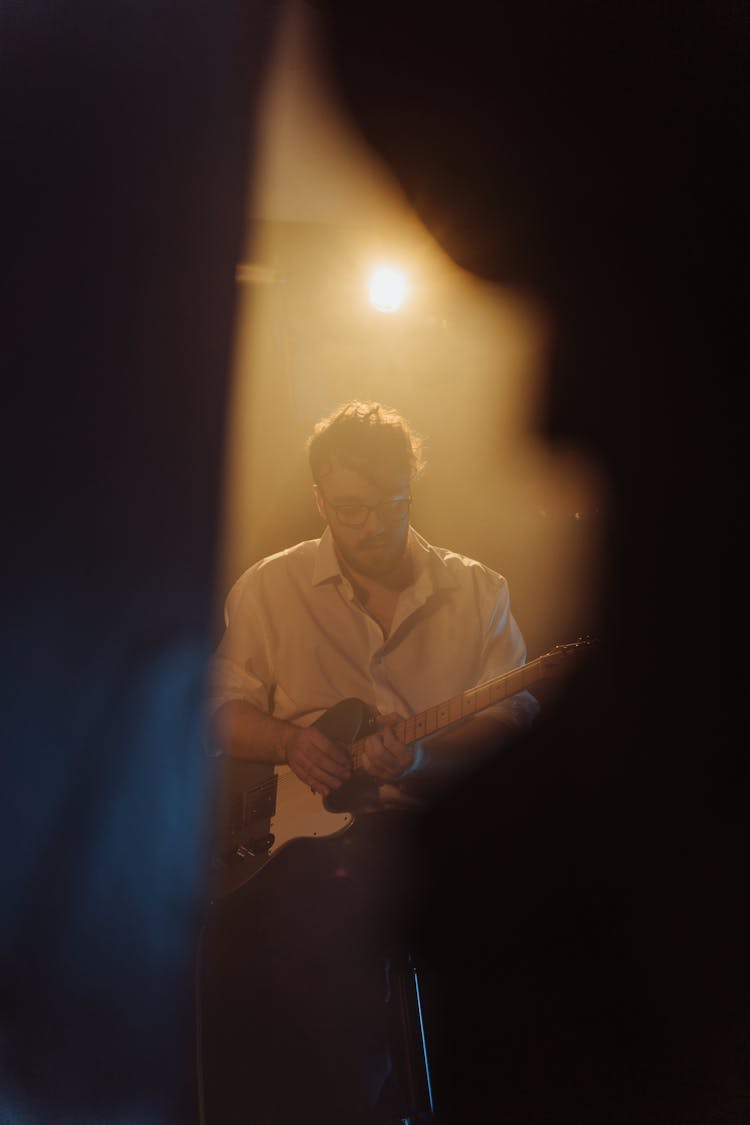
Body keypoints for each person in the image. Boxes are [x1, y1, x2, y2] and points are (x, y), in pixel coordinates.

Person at [199, 399, 540, 1125]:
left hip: (442, 841)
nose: (372, 526)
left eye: (391, 504)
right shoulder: (268, 587)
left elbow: (514, 722)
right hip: (299, 858)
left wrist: (423, 754)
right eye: (350, 508)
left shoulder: (480, 591)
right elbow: (218, 711)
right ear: (320, 497)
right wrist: (293, 742)